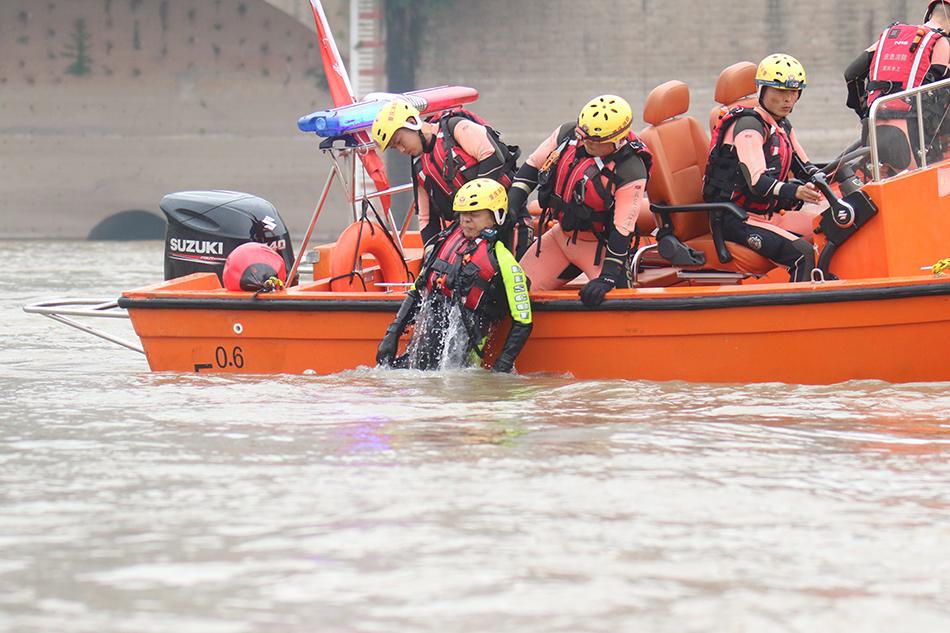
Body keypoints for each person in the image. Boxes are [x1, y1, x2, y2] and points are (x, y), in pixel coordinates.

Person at [508, 95, 652, 306]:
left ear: (616, 141)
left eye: (593, 141)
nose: (585, 143)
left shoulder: (631, 169)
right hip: (559, 237)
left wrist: (608, 277)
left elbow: (623, 229)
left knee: (620, 304)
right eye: (583, 136)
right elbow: (531, 167)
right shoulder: (568, 134)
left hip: (597, 246)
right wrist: (511, 208)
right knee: (515, 292)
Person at [375, 178, 532, 373]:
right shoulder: (445, 241)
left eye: (474, 214)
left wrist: (502, 366)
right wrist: (392, 335)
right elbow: (417, 289)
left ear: (496, 216)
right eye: (463, 214)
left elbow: (524, 321)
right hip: (424, 347)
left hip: (463, 360)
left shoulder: (504, 260)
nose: (466, 220)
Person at [702, 54, 824, 283]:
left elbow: (804, 166)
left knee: (829, 229)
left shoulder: (780, 123)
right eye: (780, 91)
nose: (788, 99)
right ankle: (797, 317)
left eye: (794, 92)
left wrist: (829, 179)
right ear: (762, 91)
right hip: (736, 219)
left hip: (766, 215)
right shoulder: (748, 126)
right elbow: (757, 182)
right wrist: (796, 192)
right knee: (803, 256)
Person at [371, 99, 529, 251]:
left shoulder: (455, 128)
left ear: (412, 122)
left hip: (508, 218)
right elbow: (426, 218)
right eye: (395, 148)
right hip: (471, 235)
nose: (402, 150)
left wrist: (476, 204)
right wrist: (430, 252)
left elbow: (493, 156)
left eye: (399, 141)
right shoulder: (418, 167)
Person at [844, 1, 950, 169]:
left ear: (929, 12)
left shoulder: (893, 36)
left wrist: (865, 111)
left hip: (873, 132)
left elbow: (851, 74)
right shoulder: (941, 42)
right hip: (916, 141)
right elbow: (940, 92)